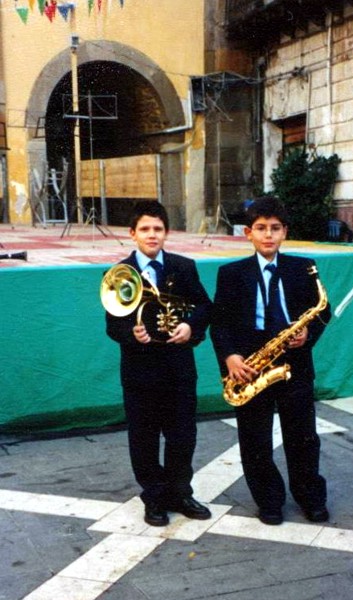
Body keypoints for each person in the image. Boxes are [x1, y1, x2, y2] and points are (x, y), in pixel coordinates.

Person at [210, 196, 331, 526]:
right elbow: (219, 322)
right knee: (255, 440)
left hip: (295, 364)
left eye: (275, 228)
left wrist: (308, 334)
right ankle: (269, 501)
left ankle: (310, 497)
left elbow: (323, 310)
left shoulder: (303, 268)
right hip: (250, 366)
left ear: (285, 232)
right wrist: (230, 357)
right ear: (248, 232)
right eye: (261, 228)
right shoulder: (230, 273)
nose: (268, 235)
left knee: (304, 437)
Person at [105, 201, 212, 527]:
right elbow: (113, 324)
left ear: (166, 233)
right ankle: (153, 496)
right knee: (144, 436)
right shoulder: (119, 274)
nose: (152, 235)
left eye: (158, 229)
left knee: (183, 434)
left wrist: (190, 326)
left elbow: (204, 306)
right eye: (145, 229)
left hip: (179, 367)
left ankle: (180, 493)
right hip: (140, 371)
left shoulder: (184, 266)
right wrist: (131, 333)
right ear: (132, 234)